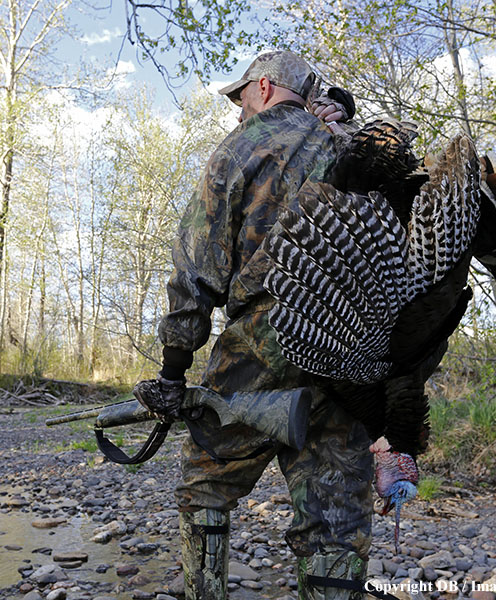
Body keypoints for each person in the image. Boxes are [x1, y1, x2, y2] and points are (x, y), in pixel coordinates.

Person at [139, 50, 377, 600]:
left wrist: (174, 371)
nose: (238, 110)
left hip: (267, 340)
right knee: (336, 511)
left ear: (264, 87)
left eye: (241, 96)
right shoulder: (351, 146)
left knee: (206, 480)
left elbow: (197, 268)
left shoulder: (242, 147)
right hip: (354, 352)